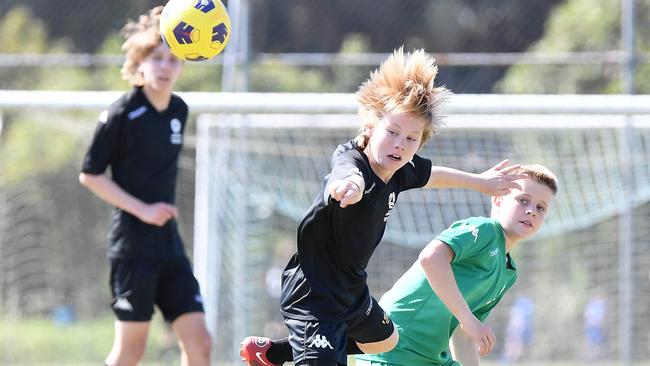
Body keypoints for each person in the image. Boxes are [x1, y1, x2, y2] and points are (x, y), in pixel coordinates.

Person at [239, 48, 528, 366]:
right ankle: (301, 352)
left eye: (411, 138)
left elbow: (434, 174)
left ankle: (272, 353)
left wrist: (480, 182)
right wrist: (349, 186)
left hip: (351, 289)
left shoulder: (402, 168)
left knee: (386, 339)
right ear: (370, 127)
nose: (400, 144)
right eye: (392, 132)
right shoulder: (353, 161)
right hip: (314, 292)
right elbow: (346, 174)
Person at [78, 6, 211, 366]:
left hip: (169, 246)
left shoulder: (178, 110)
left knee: (200, 343)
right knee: (130, 353)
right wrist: (143, 209)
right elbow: (90, 174)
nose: (165, 67)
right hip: (133, 248)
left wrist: (159, 215)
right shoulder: (121, 114)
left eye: (173, 59)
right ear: (139, 64)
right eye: (157, 59)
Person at [354, 164, 557, 366]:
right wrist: (469, 322)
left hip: (431, 359)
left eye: (541, 207)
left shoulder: (508, 273)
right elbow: (431, 258)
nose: (531, 211)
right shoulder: (485, 229)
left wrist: (470, 323)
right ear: (497, 200)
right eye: (523, 201)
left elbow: (463, 333)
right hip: (394, 350)